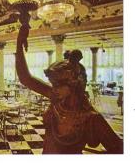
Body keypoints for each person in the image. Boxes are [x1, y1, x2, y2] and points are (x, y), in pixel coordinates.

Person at [15, 24, 123, 154]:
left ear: (74, 85)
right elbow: (25, 78)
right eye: (53, 84)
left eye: (59, 84)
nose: (54, 89)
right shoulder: (57, 98)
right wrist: (19, 43)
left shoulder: (91, 119)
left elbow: (120, 149)